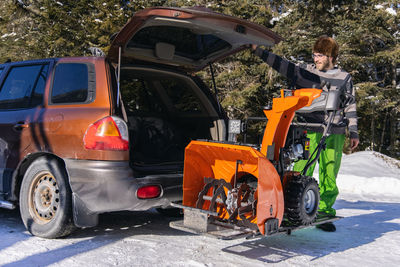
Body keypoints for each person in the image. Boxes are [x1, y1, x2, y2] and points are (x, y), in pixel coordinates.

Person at [252, 36, 359, 232]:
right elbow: (283, 65)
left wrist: (353, 131)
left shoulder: (345, 78)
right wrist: (258, 50)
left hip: (334, 131)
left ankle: (324, 212)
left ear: (331, 56)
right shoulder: (306, 72)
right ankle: (294, 208)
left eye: (320, 55)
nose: (316, 58)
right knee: (300, 170)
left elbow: (350, 105)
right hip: (308, 128)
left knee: (329, 172)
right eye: (314, 54)